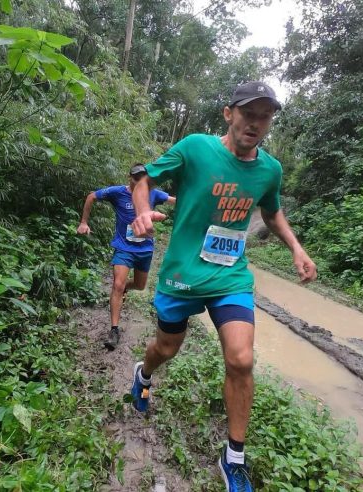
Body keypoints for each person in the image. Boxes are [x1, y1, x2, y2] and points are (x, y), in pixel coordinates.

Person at [128, 81, 317, 492]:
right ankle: (143, 375)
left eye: (265, 115)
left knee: (241, 358)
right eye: (248, 113)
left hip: (230, 277)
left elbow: (272, 212)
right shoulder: (196, 147)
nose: (255, 123)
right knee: (165, 349)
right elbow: (142, 176)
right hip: (182, 275)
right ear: (229, 114)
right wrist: (142, 212)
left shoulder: (270, 169)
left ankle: (233, 456)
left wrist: (297, 250)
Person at [77, 164, 175, 349]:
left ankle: (124, 290)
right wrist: (83, 222)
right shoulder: (117, 192)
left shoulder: (153, 193)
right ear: (129, 177)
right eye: (136, 178)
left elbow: (174, 200)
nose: (139, 181)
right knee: (117, 285)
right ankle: (114, 330)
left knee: (139, 285)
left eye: (142, 178)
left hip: (144, 249)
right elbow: (91, 196)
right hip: (123, 248)